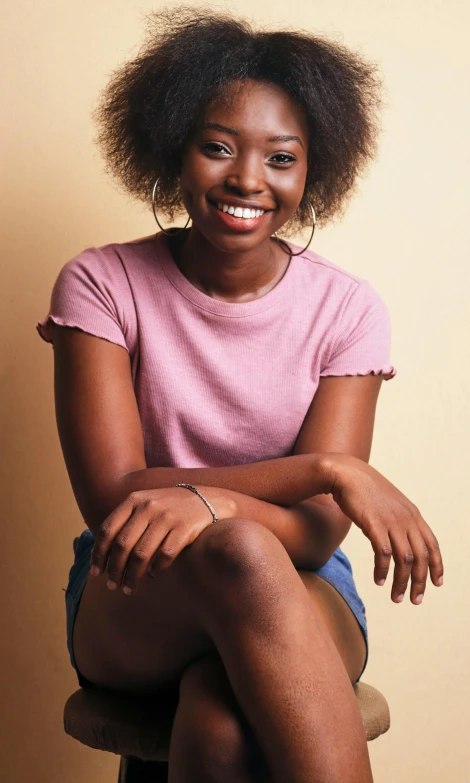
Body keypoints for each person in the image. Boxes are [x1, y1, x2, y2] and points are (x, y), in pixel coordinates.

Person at [36, 7, 444, 782]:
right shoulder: (100, 283)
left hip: (305, 585)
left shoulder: (348, 309)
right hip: (132, 586)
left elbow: (318, 540)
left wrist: (209, 504)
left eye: (281, 158)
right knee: (242, 549)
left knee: (221, 719)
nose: (248, 179)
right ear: (174, 151)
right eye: (217, 147)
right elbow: (114, 499)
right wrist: (328, 470)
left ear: (312, 171)